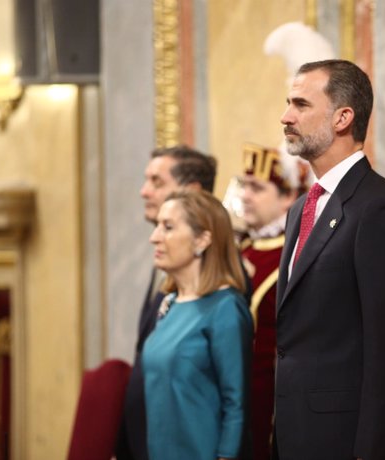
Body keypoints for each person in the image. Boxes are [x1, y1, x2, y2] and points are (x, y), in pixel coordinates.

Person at [274, 59, 385, 460]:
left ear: (343, 117)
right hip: (294, 432)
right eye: (289, 103)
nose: (286, 117)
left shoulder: (378, 206)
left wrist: (372, 450)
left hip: (344, 439)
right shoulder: (301, 208)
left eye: (301, 105)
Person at [117, 145, 217, 460]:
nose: (144, 191)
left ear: (191, 191)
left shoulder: (211, 277)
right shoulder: (167, 262)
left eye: (157, 182)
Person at [143, 190, 253, 460]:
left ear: (202, 239)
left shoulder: (225, 307)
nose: (154, 236)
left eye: (168, 227)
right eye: (157, 225)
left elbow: (236, 402)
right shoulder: (169, 303)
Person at [239, 143, 306, 460]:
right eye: (244, 186)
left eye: (257, 188)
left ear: (288, 197)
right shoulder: (243, 247)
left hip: (272, 400)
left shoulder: (292, 255)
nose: (245, 196)